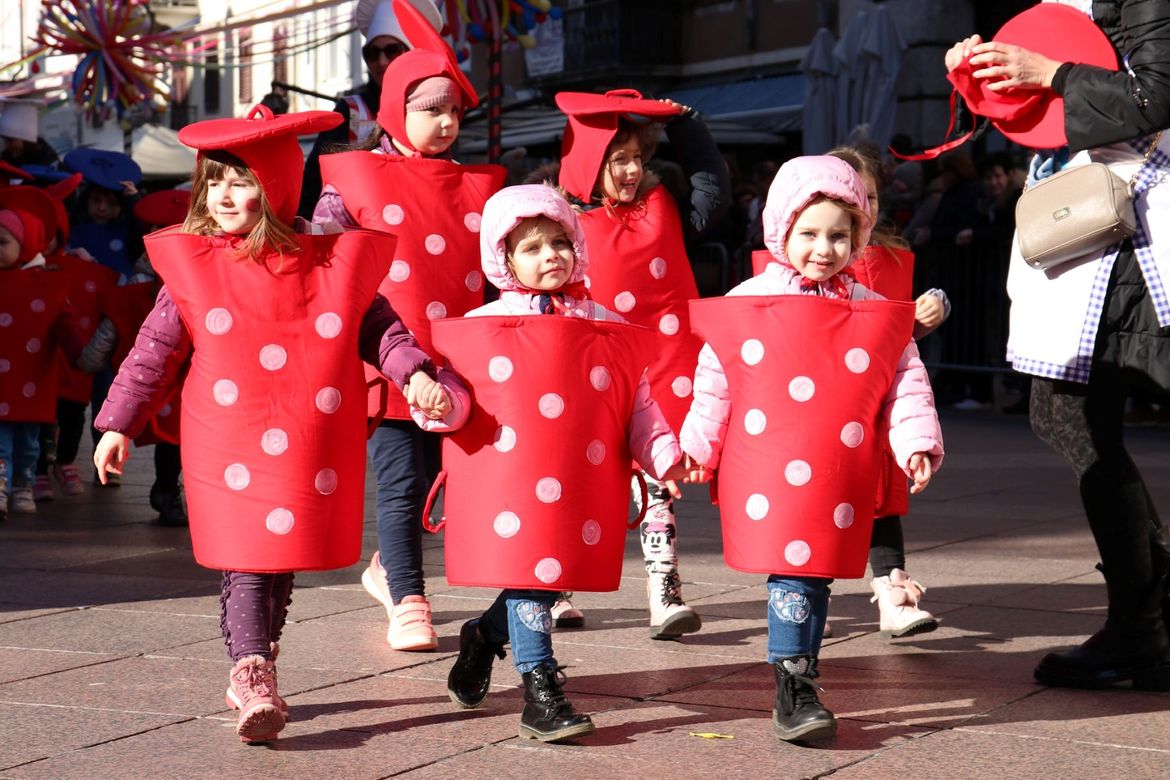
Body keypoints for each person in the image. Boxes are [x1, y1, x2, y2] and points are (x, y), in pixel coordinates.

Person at [91, 105, 469, 743]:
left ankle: (256, 659)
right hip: (226, 433)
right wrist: (118, 422)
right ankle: (252, 667)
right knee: (245, 558)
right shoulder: (196, 265)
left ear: (277, 188)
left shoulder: (328, 263)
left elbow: (382, 329)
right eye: (214, 180)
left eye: (241, 180)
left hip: (305, 430)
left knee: (279, 557)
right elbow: (153, 350)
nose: (224, 194)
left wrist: (416, 374)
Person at [679, 155, 944, 743]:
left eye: (839, 236)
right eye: (809, 234)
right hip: (769, 460)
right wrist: (698, 444)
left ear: (859, 238)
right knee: (794, 570)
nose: (824, 248)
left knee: (815, 570)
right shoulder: (751, 297)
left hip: (837, 462)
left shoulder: (873, 311)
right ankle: (793, 681)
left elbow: (903, 375)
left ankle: (798, 674)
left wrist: (915, 441)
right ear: (781, 231)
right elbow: (717, 371)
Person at [946, 1, 1170, 690]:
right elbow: (1046, 112)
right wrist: (980, 79)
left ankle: (1144, 624)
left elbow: (1156, 93)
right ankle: (1142, 622)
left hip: (1147, 222)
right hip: (1102, 223)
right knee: (1063, 411)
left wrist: (1051, 71)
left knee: (1070, 411)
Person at [442, 184, 690, 742]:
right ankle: (540, 689)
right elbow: (458, 392)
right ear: (503, 259)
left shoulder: (602, 320)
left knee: (554, 571)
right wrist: (438, 404)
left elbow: (637, 397)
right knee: (534, 572)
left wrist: (663, 455)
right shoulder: (486, 322)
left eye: (559, 241)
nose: (550, 255)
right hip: (512, 470)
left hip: (582, 467)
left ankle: (483, 635)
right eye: (531, 248)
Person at [315, 15, 506, 652]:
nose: (447, 122)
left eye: (453, 110)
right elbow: (327, 257)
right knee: (399, 485)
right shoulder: (354, 178)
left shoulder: (477, 187)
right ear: (396, 111)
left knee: (431, 486)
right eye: (431, 110)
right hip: (389, 357)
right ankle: (409, 599)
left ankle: (386, 569)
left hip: (459, 363)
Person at [548, 89, 731, 637]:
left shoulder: (666, 206)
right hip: (588, 370)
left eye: (638, 158)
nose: (632, 171)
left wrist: (686, 121)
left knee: (659, 481)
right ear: (588, 162)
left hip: (664, 368)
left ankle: (663, 588)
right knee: (575, 479)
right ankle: (555, 582)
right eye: (617, 159)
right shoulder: (558, 220)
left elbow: (713, 190)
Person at [826, 145, 951, 638]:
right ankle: (799, 591)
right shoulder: (810, 249)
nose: (867, 206)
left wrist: (932, 308)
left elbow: (901, 326)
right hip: (822, 399)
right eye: (857, 195)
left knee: (883, 495)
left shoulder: (891, 255)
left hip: (879, 396)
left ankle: (891, 591)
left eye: (873, 195)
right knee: (820, 492)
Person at [78, 189, 192, 526]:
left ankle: (173, 491)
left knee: (180, 439)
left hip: (199, 379)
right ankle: (168, 491)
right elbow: (116, 323)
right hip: (158, 376)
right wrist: (90, 360)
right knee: (171, 439)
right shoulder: (136, 287)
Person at [297, 0, 442, 218]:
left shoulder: (436, 111)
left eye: (392, 50)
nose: (381, 61)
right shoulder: (351, 111)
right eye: (373, 53)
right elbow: (314, 182)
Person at [33, 173, 119, 502]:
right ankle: (38, 469)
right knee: (41, 416)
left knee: (75, 411)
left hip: (80, 350)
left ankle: (67, 461)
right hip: (39, 359)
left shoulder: (79, 263)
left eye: (51, 236)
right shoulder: (24, 270)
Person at [0, 186, 84, 519]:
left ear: (27, 245)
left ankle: (22, 483)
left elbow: (66, 325)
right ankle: (3, 488)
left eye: (3, 242)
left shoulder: (47, 284)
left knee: (29, 443)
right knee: (1, 441)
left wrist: (85, 354)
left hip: (31, 378)